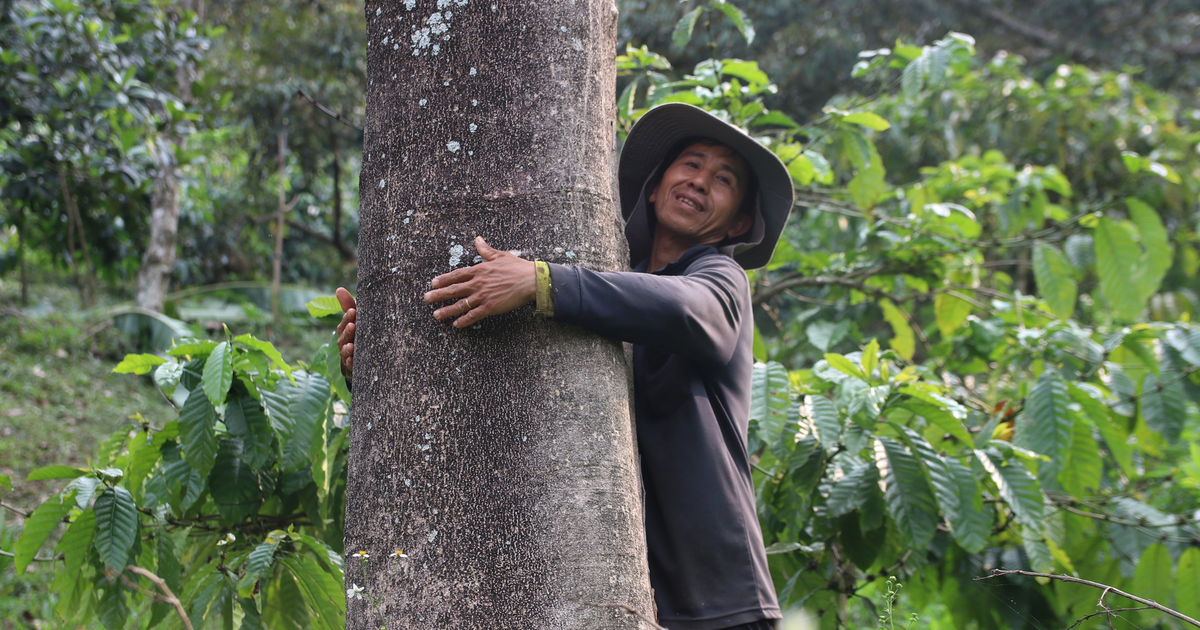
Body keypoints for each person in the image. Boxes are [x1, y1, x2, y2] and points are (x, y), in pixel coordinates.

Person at [335, 103, 794, 630]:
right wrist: (378, 371)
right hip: (627, 590)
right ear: (654, 184)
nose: (700, 181)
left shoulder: (719, 278)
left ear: (738, 221)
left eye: (724, 178)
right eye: (690, 163)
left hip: (718, 597)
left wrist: (541, 281)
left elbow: (693, 311)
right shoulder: (613, 289)